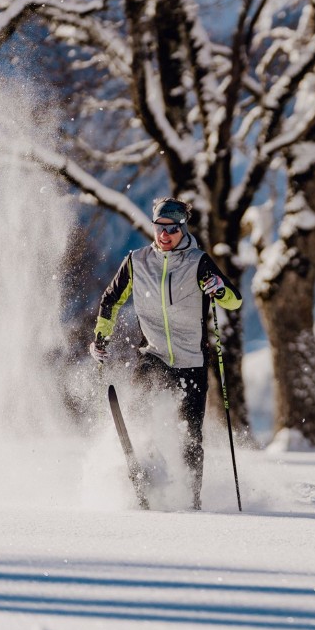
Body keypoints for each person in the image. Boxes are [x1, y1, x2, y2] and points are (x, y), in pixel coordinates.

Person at [89, 197, 242, 510]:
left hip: (192, 362)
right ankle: (143, 475)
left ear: (182, 228)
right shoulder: (137, 261)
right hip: (153, 355)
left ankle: (191, 498)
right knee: (140, 415)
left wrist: (219, 289)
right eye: (159, 227)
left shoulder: (198, 262)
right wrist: (101, 337)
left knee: (190, 435)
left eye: (171, 228)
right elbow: (111, 300)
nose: (164, 234)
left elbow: (234, 301)